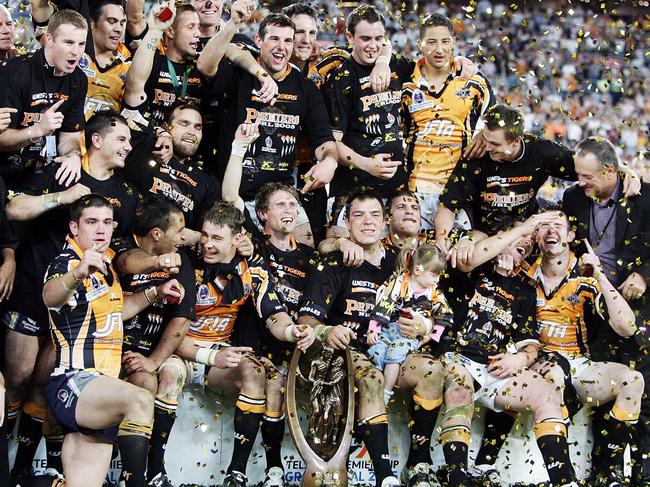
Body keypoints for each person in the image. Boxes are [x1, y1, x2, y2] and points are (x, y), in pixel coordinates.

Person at [3, 111, 139, 478]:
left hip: (77, 306)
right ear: (96, 140)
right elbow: (14, 208)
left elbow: (121, 251)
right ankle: (7, 453)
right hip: (36, 288)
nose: (129, 146)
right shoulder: (66, 169)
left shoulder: (125, 194)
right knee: (16, 378)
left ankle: (26, 469)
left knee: (47, 381)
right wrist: (61, 197)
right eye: (122, 139)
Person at [299, 189, 446, 487]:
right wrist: (329, 331)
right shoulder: (333, 261)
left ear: (386, 222)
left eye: (375, 215)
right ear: (347, 223)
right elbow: (306, 319)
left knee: (432, 370)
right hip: (348, 351)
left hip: (395, 350)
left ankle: (418, 465)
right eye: (359, 215)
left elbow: (436, 304)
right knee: (371, 378)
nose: (368, 222)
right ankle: (385, 476)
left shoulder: (402, 265)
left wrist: (425, 325)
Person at [42, 194, 183, 487]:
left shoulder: (106, 265)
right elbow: (50, 296)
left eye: (107, 222)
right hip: (73, 382)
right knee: (140, 398)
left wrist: (156, 293)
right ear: (74, 228)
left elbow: (118, 312)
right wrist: (77, 273)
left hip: (100, 394)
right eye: (91, 222)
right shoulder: (66, 262)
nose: (101, 229)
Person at [174, 201, 314, 487]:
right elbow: (171, 333)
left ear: (237, 239)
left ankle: (236, 473)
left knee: (260, 372)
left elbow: (273, 313)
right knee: (168, 375)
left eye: (216, 238)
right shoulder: (185, 261)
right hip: (178, 350)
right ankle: (155, 475)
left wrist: (292, 332)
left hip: (219, 354)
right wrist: (210, 357)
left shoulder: (252, 268)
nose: (208, 245)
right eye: (205, 236)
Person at [441, 211, 578, 487]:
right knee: (459, 391)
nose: (526, 241)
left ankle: (565, 482)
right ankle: (457, 478)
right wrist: (521, 230)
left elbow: (529, 342)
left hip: (494, 368)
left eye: (530, 238)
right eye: (521, 234)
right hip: (455, 357)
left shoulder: (525, 288)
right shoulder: (474, 262)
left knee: (546, 393)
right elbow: (468, 261)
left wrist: (519, 358)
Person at [222, 122, 320, 485]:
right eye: (280, 204)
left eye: (292, 204)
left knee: (279, 379)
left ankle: (276, 468)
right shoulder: (254, 244)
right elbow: (231, 197)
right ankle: (239, 471)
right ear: (262, 214)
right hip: (250, 346)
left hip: (291, 349)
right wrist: (238, 148)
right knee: (266, 376)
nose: (289, 209)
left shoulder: (310, 259)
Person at [529, 209, 643, 485]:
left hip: (580, 367)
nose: (551, 231)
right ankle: (565, 479)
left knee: (632, 380)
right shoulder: (523, 273)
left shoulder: (584, 280)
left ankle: (609, 471)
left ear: (570, 236)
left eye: (558, 226)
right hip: (536, 364)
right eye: (544, 226)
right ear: (535, 235)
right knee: (552, 377)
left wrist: (600, 276)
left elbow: (627, 326)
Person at [434, 104, 640, 254]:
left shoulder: (541, 152)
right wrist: (442, 236)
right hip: (484, 232)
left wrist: (624, 171)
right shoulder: (476, 156)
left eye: (495, 144)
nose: (487, 147)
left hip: (526, 231)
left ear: (516, 141)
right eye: (485, 139)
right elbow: (448, 204)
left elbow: (587, 166)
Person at [562, 136, 650, 484]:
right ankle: (606, 471)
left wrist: (643, 275)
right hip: (593, 308)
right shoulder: (572, 198)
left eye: (587, 177)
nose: (580, 182)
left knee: (644, 386)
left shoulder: (643, 198)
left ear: (610, 171)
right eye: (578, 175)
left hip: (638, 307)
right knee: (607, 385)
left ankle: (644, 473)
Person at [209, 13, 338, 239]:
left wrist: (330, 160)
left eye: (288, 41)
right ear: (258, 41)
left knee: (304, 253)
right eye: (274, 39)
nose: (281, 47)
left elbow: (324, 142)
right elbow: (207, 64)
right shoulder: (238, 75)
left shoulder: (305, 89)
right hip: (237, 197)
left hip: (284, 199)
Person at [114, 196, 196, 486]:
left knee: (155, 378)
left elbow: (182, 318)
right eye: (179, 230)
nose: (184, 237)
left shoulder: (181, 259)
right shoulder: (121, 246)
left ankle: (153, 469)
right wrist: (156, 262)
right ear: (157, 234)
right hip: (112, 349)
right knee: (143, 383)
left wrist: (153, 361)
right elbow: (127, 262)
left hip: (150, 351)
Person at [322, 6, 412, 233]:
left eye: (378, 39)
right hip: (354, 191)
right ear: (350, 38)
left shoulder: (398, 65)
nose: (373, 46)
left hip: (396, 191)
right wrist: (368, 165)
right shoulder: (341, 78)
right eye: (365, 39)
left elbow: (432, 69)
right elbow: (331, 144)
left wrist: (461, 61)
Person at [402, 13, 495, 229]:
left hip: (459, 189)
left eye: (445, 41)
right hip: (416, 190)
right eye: (432, 42)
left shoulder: (474, 83)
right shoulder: (406, 85)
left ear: (454, 42)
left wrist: (483, 133)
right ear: (420, 44)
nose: (439, 49)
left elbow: (496, 120)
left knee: (456, 258)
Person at [0, 9, 87, 190]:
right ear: (49, 40)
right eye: (69, 42)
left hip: (42, 167)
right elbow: (1, 139)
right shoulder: (16, 72)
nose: (76, 51)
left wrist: (73, 155)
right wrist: (38, 130)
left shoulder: (78, 80)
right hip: (5, 168)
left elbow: (70, 136)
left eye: (81, 44)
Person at [367, 244, 452, 405]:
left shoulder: (433, 293)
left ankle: (385, 394)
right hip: (388, 327)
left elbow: (445, 315)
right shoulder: (399, 283)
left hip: (408, 334)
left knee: (394, 356)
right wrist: (373, 330)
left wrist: (430, 336)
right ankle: (374, 388)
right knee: (376, 351)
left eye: (439, 275)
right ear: (418, 270)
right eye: (434, 274)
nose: (437, 279)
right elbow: (383, 305)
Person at [125, 101, 221, 235]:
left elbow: (203, 233)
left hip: (175, 249)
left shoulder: (207, 183)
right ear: (166, 126)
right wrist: (163, 134)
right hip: (134, 239)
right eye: (184, 124)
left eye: (197, 127)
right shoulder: (146, 150)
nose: (192, 132)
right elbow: (130, 114)